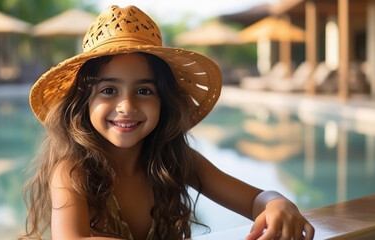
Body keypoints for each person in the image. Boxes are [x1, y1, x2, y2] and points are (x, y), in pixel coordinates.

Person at [21, 5, 315, 240]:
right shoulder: (73, 171)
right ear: (83, 102)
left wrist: (277, 204)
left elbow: (256, 200)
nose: (127, 106)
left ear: (164, 101)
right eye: (109, 90)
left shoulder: (176, 160)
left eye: (144, 91)